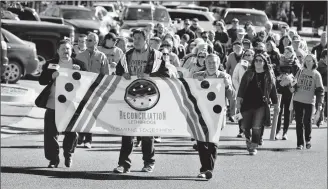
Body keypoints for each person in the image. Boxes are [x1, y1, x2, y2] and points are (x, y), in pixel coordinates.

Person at [113, 29, 169, 173]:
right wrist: (123, 74)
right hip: (130, 97)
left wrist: (150, 75)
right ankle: (124, 164)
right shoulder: (127, 55)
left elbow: (166, 76)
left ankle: (149, 162)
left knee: (147, 133)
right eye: (134, 38)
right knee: (127, 132)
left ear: (146, 39)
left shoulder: (156, 56)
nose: (136, 41)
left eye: (139, 38)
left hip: (149, 98)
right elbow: (117, 73)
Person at [38, 39, 87, 168]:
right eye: (63, 49)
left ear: (72, 50)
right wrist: (52, 76)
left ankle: (68, 154)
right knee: (50, 134)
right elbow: (42, 81)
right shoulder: (50, 64)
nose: (66, 51)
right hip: (53, 103)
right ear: (58, 51)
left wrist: (81, 74)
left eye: (68, 49)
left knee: (71, 132)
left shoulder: (79, 64)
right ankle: (53, 159)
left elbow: (88, 84)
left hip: (71, 105)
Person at [192, 54, 236, 180]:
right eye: (209, 62)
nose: (211, 64)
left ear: (218, 64)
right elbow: (190, 93)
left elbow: (231, 96)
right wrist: (196, 83)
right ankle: (205, 169)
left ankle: (207, 169)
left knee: (212, 142)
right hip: (201, 113)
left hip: (217, 114)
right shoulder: (197, 75)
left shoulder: (224, 76)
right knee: (201, 142)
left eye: (214, 62)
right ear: (205, 63)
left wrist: (227, 85)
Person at [237, 53, 278, 155]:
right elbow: (241, 88)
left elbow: (273, 90)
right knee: (245, 125)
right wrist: (238, 101)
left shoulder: (268, 75)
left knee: (256, 126)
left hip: (261, 104)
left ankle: (254, 145)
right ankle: (248, 139)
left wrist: (276, 104)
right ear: (253, 62)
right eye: (256, 60)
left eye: (261, 60)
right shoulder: (248, 73)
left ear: (264, 62)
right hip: (246, 103)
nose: (258, 62)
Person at [76, 32, 110, 148]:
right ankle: (80, 136)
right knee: (80, 113)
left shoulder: (102, 56)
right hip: (82, 89)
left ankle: (88, 140)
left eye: (90, 40)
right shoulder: (80, 56)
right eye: (87, 40)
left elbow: (106, 74)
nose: (87, 42)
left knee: (91, 115)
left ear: (96, 42)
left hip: (95, 90)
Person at [292, 54, 324, 150]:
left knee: (307, 121)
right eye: (306, 60)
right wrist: (292, 85)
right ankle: (300, 143)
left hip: (309, 101)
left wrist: (320, 104)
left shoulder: (316, 74)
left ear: (314, 62)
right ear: (304, 62)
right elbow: (294, 83)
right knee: (298, 122)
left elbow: (320, 90)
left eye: (310, 61)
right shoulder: (300, 71)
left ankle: (308, 140)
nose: (308, 62)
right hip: (297, 99)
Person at [275, 46, 301, 140]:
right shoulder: (279, 61)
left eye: (289, 52)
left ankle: (285, 132)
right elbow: (274, 73)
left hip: (289, 90)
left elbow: (298, 77)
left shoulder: (295, 63)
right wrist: (279, 78)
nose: (286, 54)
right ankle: (277, 131)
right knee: (278, 110)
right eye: (285, 52)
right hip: (279, 88)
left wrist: (290, 81)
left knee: (287, 111)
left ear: (292, 53)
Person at [232, 49, 255, 138]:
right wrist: (239, 88)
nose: (248, 57)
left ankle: (250, 129)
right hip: (241, 92)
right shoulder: (239, 65)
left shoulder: (255, 66)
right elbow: (234, 78)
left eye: (250, 55)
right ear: (243, 56)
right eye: (246, 55)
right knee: (239, 111)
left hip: (252, 93)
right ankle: (240, 130)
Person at [226, 41, 244, 122]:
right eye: (235, 47)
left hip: (243, 80)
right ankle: (232, 116)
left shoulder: (245, 55)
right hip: (232, 79)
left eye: (238, 47)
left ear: (242, 47)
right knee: (233, 98)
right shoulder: (231, 55)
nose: (236, 49)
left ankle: (239, 117)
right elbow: (228, 67)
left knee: (241, 99)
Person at [317, 49, 327, 126]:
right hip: (322, 87)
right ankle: (320, 119)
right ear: (324, 57)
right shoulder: (319, 65)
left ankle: (325, 117)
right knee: (322, 104)